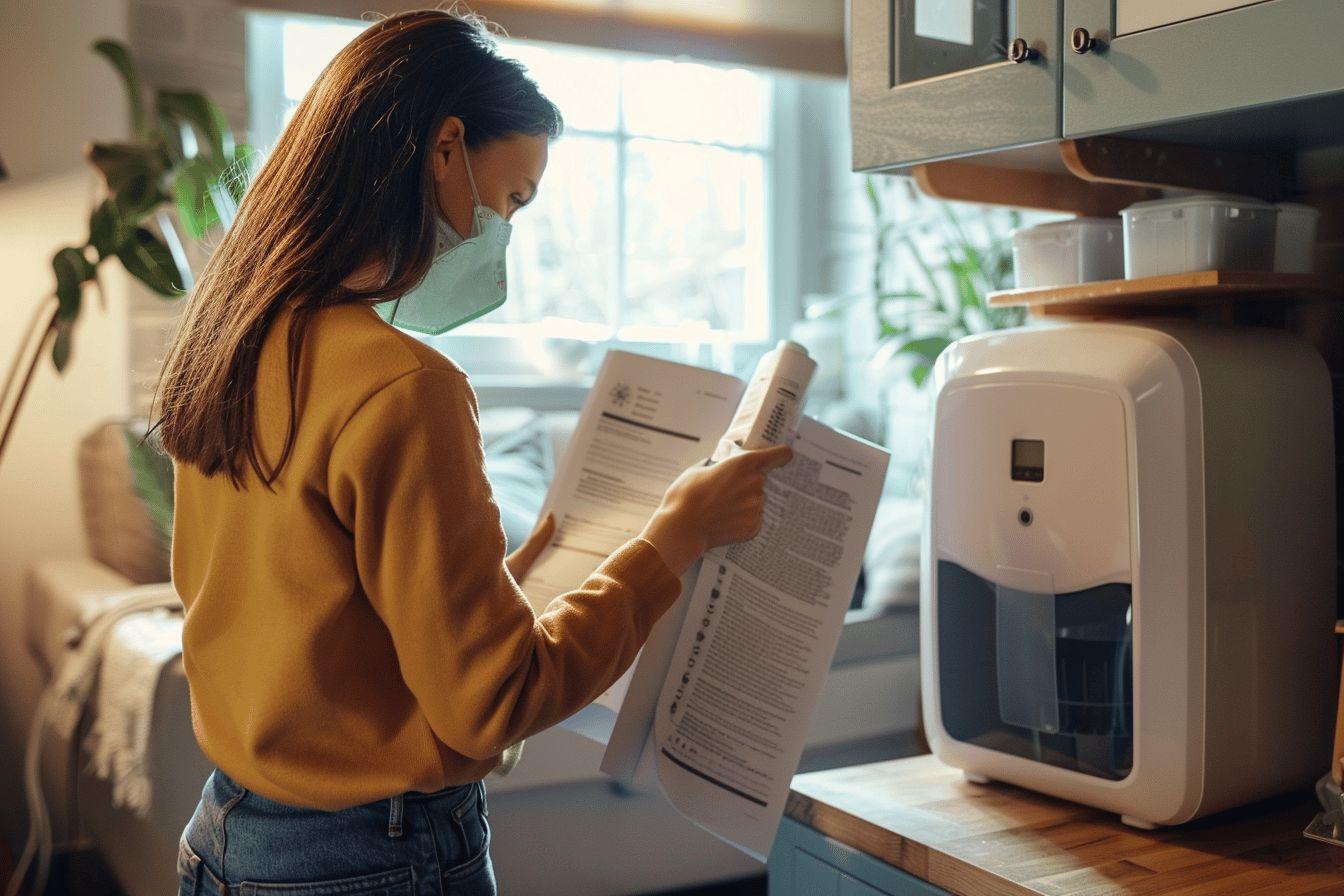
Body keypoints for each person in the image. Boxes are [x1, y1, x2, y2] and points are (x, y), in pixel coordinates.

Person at [153, 9, 791, 896]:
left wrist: (504, 584)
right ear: (446, 149)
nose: (507, 231)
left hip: (230, 835)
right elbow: (491, 704)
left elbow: (308, 616)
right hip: (369, 861)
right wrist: (675, 540)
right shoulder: (403, 384)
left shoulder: (232, 343)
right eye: (512, 199)